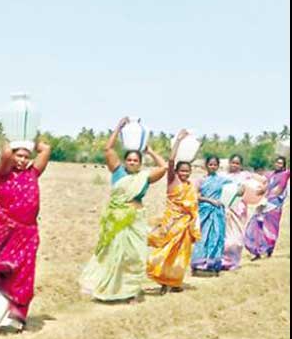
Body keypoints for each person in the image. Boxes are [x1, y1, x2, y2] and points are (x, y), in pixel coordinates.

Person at [80, 116, 167, 302]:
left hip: (135, 220)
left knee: (134, 256)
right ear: (125, 161)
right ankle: (109, 289)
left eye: (136, 160)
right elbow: (108, 149)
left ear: (140, 163)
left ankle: (129, 291)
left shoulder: (145, 177)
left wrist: (149, 149)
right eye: (130, 159)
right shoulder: (118, 172)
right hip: (117, 219)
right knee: (113, 254)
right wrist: (118, 128)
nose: (133, 162)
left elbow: (164, 166)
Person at [0, 139, 51, 330]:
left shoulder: (32, 173)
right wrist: (15, 137)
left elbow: (46, 149)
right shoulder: (3, 174)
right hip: (6, 231)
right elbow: (4, 154)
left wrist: (30, 138)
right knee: (4, 271)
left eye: (26, 156)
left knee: (22, 275)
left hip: (28, 233)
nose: (22, 160)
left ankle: (14, 320)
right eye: (18, 155)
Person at [146, 130, 201, 293]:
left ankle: (175, 281)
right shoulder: (172, 181)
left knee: (180, 254)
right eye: (182, 171)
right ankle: (163, 282)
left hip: (184, 225)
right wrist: (178, 140)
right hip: (171, 224)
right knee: (166, 252)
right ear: (176, 172)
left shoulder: (190, 185)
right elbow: (170, 160)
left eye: (187, 171)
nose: (185, 173)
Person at [191, 155, 235, 275]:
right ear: (206, 166)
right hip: (205, 211)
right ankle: (199, 264)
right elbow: (196, 196)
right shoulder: (201, 180)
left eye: (215, 165)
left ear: (218, 166)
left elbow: (235, 188)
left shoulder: (222, 180)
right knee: (203, 237)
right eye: (210, 164)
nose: (213, 167)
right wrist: (210, 201)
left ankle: (213, 264)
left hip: (218, 212)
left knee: (216, 237)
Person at [221, 154, 266, 270]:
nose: (235, 165)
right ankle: (223, 261)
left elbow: (264, 180)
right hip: (226, 208)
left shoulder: (246, 175)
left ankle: (234, 262)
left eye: (237, 163)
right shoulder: (223, 176)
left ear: (241, 165)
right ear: (229, 163)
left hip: (239, 209)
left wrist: (263, 189)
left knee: (237, 238)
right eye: (233, 162)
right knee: (225, 236)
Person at [244, 156, 291, 260]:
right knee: (256, 223)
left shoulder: (285, 174)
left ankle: (268, 249)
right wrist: (261, 191)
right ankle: (257, 250)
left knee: (271, 229)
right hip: (265, 202)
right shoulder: (270, 174)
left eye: (281, 163)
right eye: (277, 163)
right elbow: (265, 185)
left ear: (284, 165)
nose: (278, 165)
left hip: (275, 206)